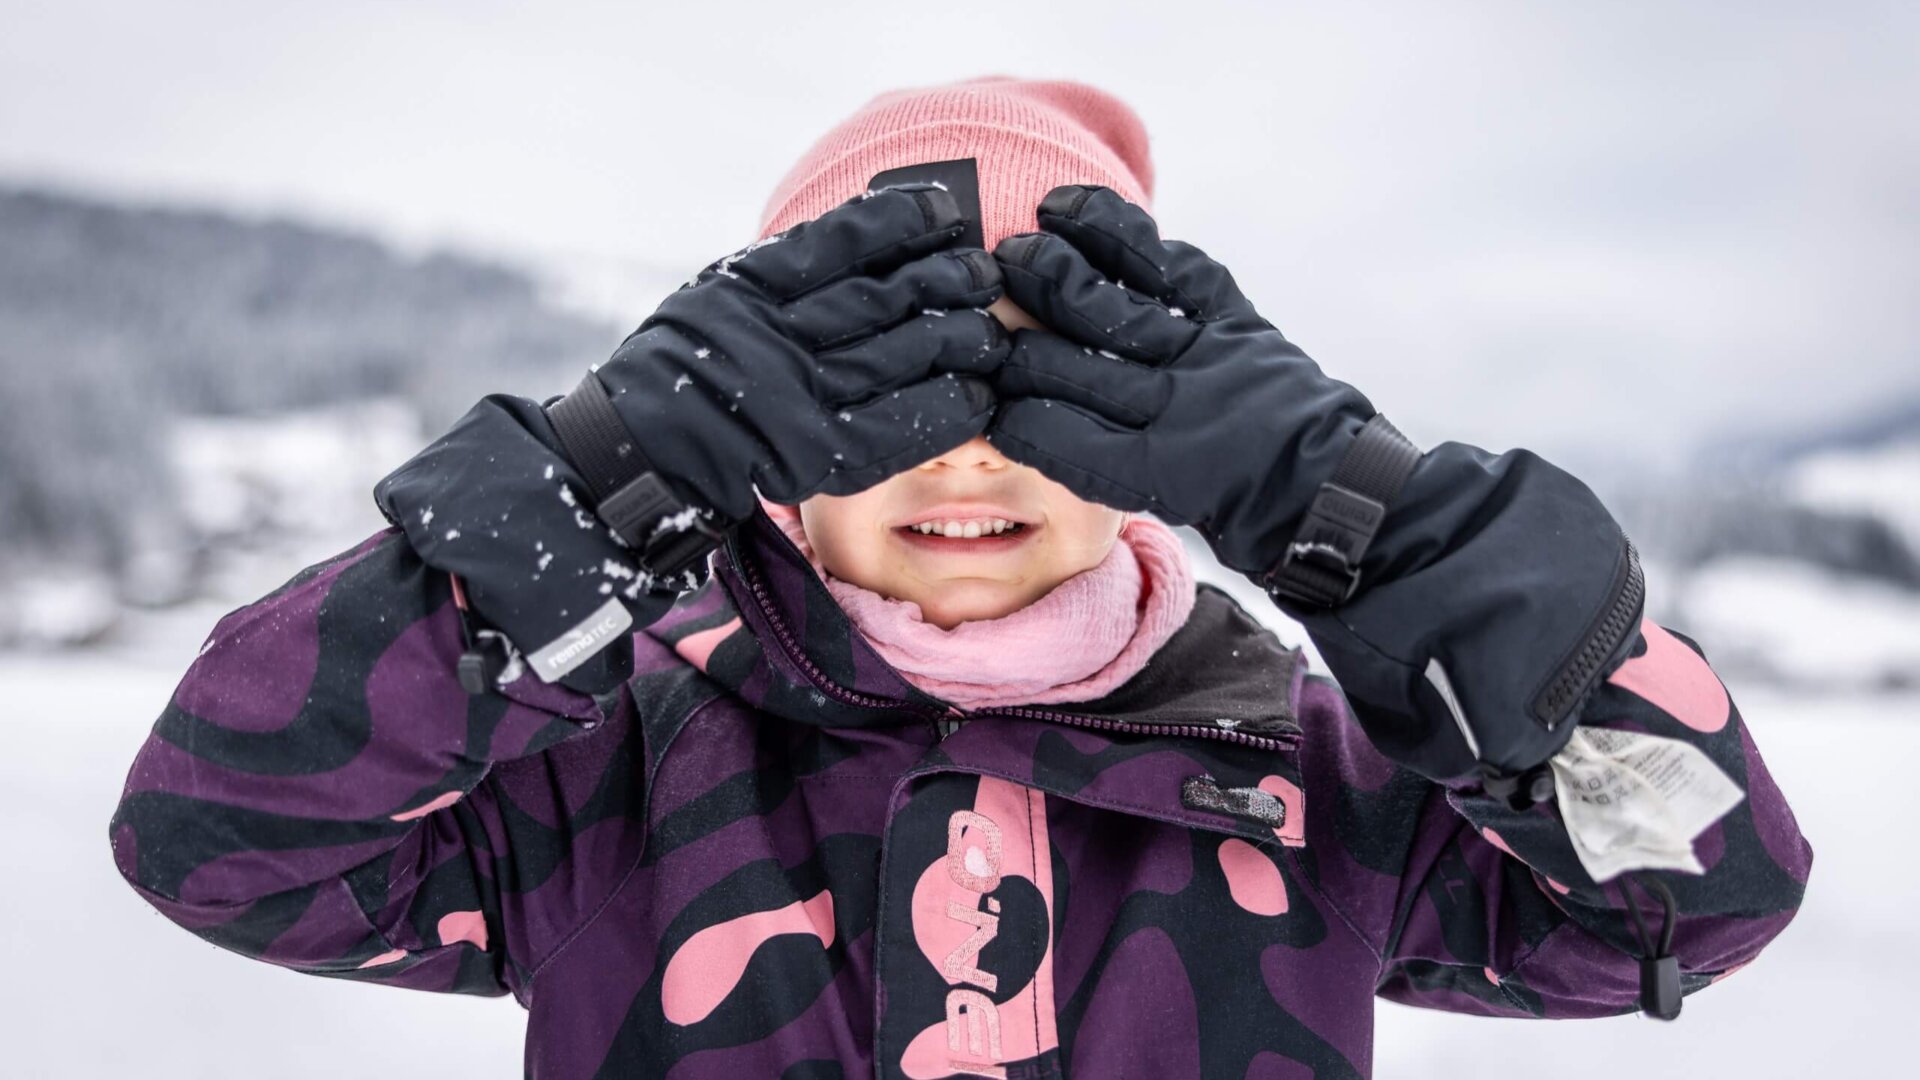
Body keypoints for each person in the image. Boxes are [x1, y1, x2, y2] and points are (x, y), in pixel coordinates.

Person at [108, 76, 1813, 1079]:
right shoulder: (599, 760)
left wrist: (1367, 518)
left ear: (1171, 440)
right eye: (890, 392)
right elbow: (220, 838)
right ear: (759, 433)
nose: (969, 456)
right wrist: (585, 489)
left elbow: (1687, 902)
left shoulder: (1313, 780)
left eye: (1042, 384)